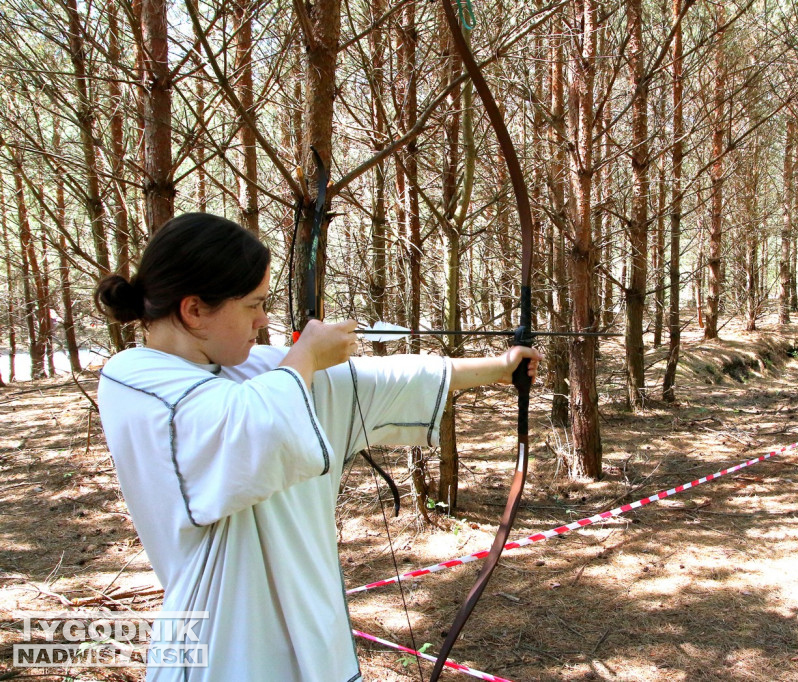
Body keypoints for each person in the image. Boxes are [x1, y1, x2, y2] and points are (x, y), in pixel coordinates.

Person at [94, 213, 542, 682]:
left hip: (309, 638)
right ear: (194, 310)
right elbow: (246, 431)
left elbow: (375, 382)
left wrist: (500, 366)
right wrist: (305, 355)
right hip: (221, 649)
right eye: (252, 305)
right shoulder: (135, 380)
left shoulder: (256, 372)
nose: (262, 321)